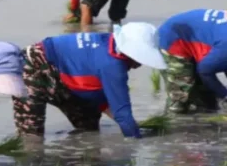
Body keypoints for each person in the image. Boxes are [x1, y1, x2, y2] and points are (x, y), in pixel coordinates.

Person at [12, 22, 167, 139]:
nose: (140, 65)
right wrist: (136, 140)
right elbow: (122, 112)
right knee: (31, 137)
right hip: (33, 65)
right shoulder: (112, 65)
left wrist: (130, 124)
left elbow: (105, 99)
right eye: (140, 57)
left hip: (66, 76)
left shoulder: (110, 42)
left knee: (88, 130)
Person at [157, 8, 227, 114]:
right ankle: (172, 124)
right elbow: (205, 70)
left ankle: (203, 121)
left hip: (199, 37)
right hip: (174, 40)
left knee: (208, 101)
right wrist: (224, 95)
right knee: (179, 99)